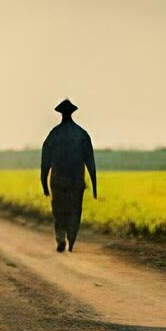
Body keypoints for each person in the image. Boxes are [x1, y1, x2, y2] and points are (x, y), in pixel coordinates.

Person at [40, 98, 97, 252]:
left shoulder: (54, 134)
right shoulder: (82, 134)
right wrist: (94, 186)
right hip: (76, 181)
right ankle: (71, 239)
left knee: (58, 210)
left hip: (58, 180)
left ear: (61, 114)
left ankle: (60, 239)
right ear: (72, 112)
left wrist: (44, 183)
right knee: (74, 209)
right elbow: (90, 162)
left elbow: (45, 161)